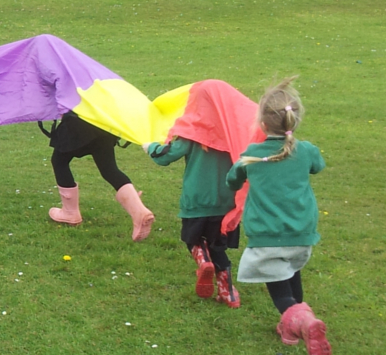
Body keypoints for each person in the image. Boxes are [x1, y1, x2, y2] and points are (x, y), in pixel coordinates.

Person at [226, 76, 330, 354]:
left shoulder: (252, 155)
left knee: (279, 288)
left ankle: (303, 321)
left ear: (262, 123)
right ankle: (290, 329)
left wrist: (235, 183)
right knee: (291, 271)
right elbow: (318, 166)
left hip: (268, 235)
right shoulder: (305, 151)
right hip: (302, 231)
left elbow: (232, 178)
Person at [145, 138, 241, 308]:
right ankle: (228, 293)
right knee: (217, 246)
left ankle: (203, 261)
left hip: (197, 200)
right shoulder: (232, 128)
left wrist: (150, 147)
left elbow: (167, 155)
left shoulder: (194, 130)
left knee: (193, 239)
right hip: (226, 200)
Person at [46, 111, 153, 241]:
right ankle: (140, 211)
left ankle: (70, 213)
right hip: (103, 122)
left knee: (59, 161)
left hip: (79, 121)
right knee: (109, 169)